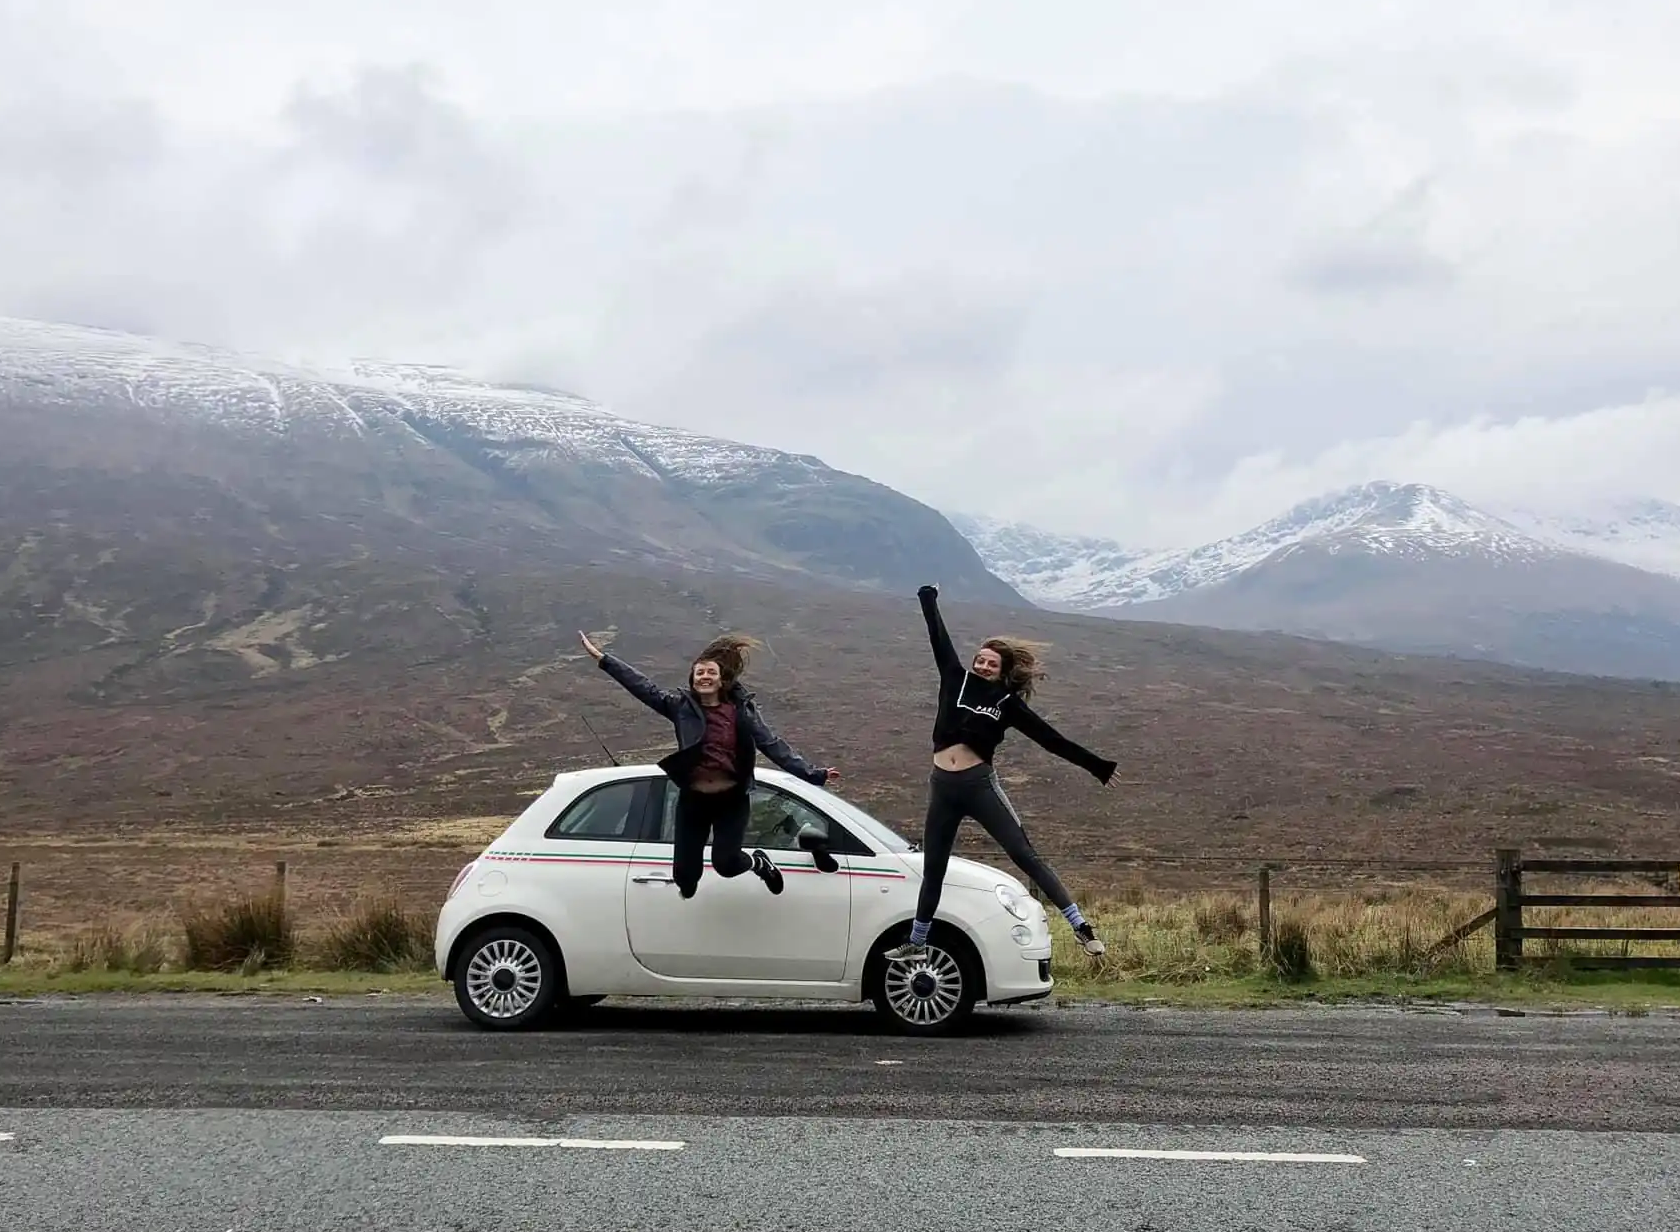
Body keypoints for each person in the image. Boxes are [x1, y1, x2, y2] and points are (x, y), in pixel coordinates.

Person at [885, 584, 1115, 962]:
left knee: (1023, 854)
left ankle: (1080, 926)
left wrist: (1098, 767)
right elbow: (937, 637)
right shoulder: (954, 678)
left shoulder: (1007, 704)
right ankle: (918, 940)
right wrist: (928, 598)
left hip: (978, 786)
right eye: (980, 659)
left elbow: (1051, 740)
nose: (983, 665)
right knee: (934, 867)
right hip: (942, 787)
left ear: (1003, 671)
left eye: (992, 663)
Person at [578, 628, 838, 899]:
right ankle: (687, 890)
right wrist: (603, 659)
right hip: (694, 802)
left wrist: (814, 774)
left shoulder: (740, 712)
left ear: (721, 679)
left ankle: (759, 863)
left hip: (731, 801)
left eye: (710, 672)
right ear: (693, 679)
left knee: (726, 864)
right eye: (699, 672)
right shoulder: (680, 707)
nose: (704, 676)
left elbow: (772, 745)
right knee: (685, 879)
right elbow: (642, 686)